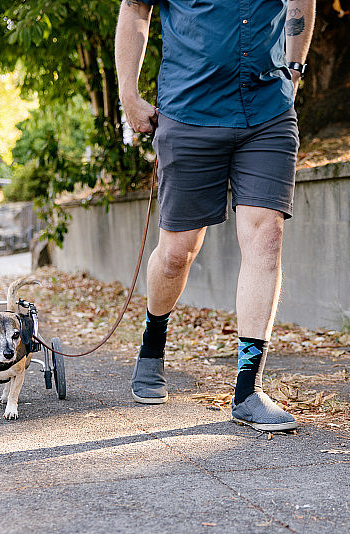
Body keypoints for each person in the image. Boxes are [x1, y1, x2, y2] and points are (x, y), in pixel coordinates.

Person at [115, 0, 315, 431]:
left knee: (267, 238)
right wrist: (128, 94)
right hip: (189, 112)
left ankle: (248, 389)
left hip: (267, 112)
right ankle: (153, 341)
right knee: (176, 255)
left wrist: (295, 67)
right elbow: (135, 11)